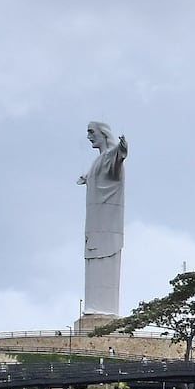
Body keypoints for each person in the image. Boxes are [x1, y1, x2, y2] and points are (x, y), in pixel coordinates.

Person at [77, 122, 128, 317]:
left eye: (91, 132)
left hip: (109, 226)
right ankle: (94, 308)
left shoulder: (110, 156)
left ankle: (104, 311)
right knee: (92, 263)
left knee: (105, 262)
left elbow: (117, 159)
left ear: (103, 134)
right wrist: (87, 178)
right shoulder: (98, 161)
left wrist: (122, 149)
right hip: (94, 224)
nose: (88, 136)